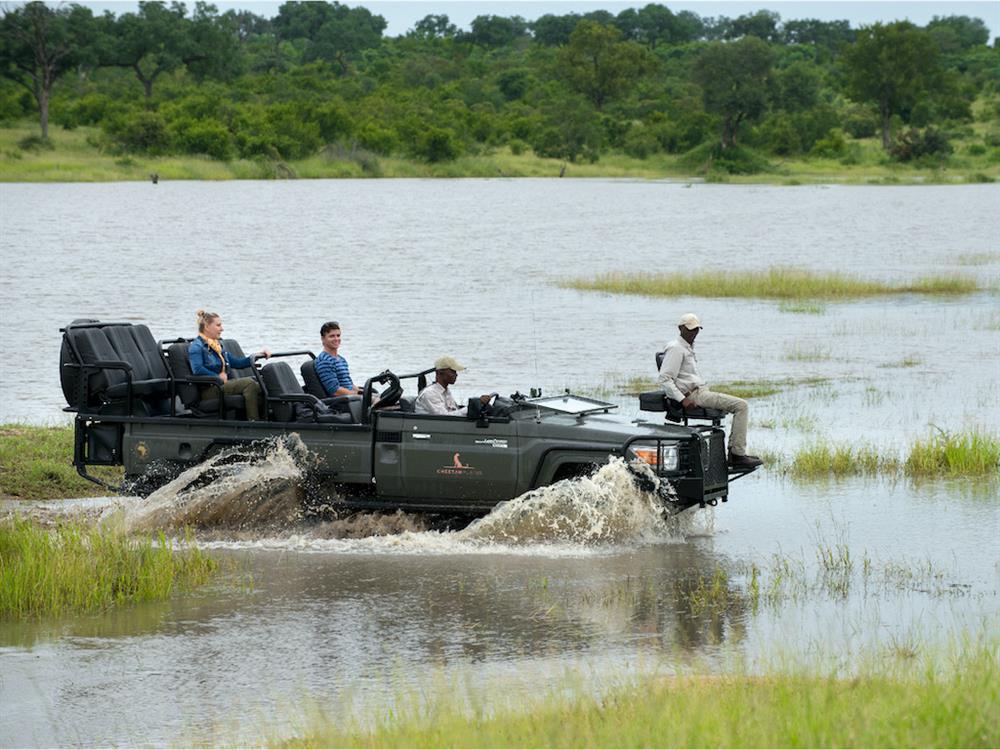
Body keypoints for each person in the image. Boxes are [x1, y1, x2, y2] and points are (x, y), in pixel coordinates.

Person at [657, 313, 763, 469]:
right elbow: (665, 379)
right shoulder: (676, 349)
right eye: (690, 329)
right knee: (741, 405)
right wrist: (682, 399)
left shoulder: (686, 347)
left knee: (739, 405)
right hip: (695, 395)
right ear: (681, 328)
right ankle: (737, 455)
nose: (694, 333)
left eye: (696, 330)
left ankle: (735, 452)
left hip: (699, 391)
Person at [188, 310, 271, 421]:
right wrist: (216, 377)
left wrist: (258, 355)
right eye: (218, 325)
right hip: (211, 389)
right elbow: (197, 369)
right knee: (249, 384)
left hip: (223, 385)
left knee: (260, 380)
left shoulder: (217, 345)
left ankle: (267, 417)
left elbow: (237, 362)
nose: (222, 329)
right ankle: (253, 422)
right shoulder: (196, 347)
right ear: (207, 327)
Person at [414, 356, 492, 416]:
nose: (456, 375)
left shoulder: (445, 392)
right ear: (440, 373)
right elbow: (444, 418)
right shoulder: (430, 393)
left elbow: (453, 411)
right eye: (452, 372)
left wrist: (477, 405)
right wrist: (472, 407)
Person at [315, 321, 362, 397]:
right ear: (323, 339)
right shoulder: (324, 361)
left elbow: (349, 384)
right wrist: (358, 395)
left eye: (338, 335)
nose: (336, 339)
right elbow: (335, 390)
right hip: (343, 402)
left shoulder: (341, 359)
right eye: (332, 336)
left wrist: (364, 392)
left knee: (383, 397)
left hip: (353, 397)